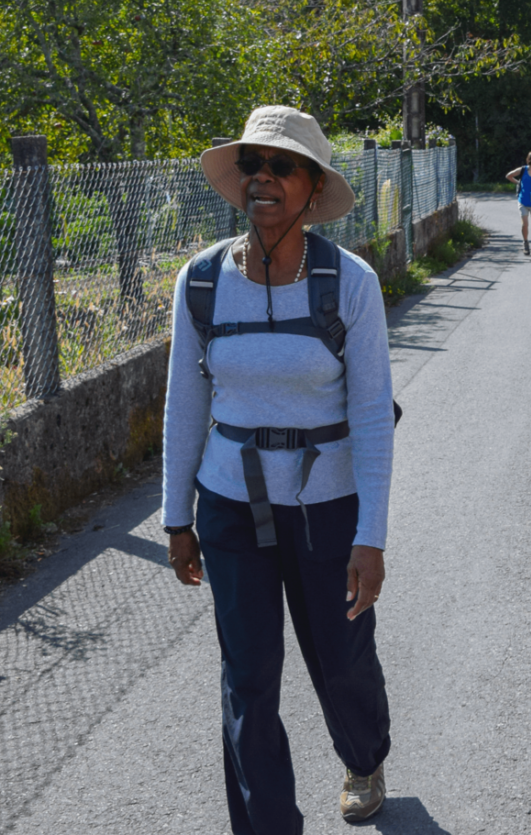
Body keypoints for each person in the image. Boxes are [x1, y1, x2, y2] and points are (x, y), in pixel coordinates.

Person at [161, 105, 398, 828]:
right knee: (248, 679)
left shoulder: (348, 283)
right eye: (252, 166)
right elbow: (184, 405)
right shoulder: (201, 283)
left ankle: (364, 756)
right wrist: (177, 518)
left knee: (341, 659)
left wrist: (371, 537)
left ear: (312, 184)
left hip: (328, 510)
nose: (262, 178)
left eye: (281, 166)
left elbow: (371, 417)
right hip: (231, 507)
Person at [506, 151, 531, 255]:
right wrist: (518, 182)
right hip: (523, 201)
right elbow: (508, 176)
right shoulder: (522, 170)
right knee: (525, 224)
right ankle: (525, 243)